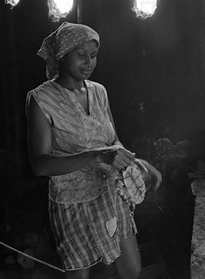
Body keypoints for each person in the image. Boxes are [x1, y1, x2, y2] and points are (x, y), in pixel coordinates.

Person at [26, 22, 162, 279]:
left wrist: (137, 162)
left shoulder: (99, 92)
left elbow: (114, 141)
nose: (89, 62)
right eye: (80, 55)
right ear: (62, 56)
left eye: (93, 55)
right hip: (72, 202)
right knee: (80, 275)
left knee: (131, 270)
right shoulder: (41, 100)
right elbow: (40, 165)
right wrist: (98, 155)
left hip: (110, 193)